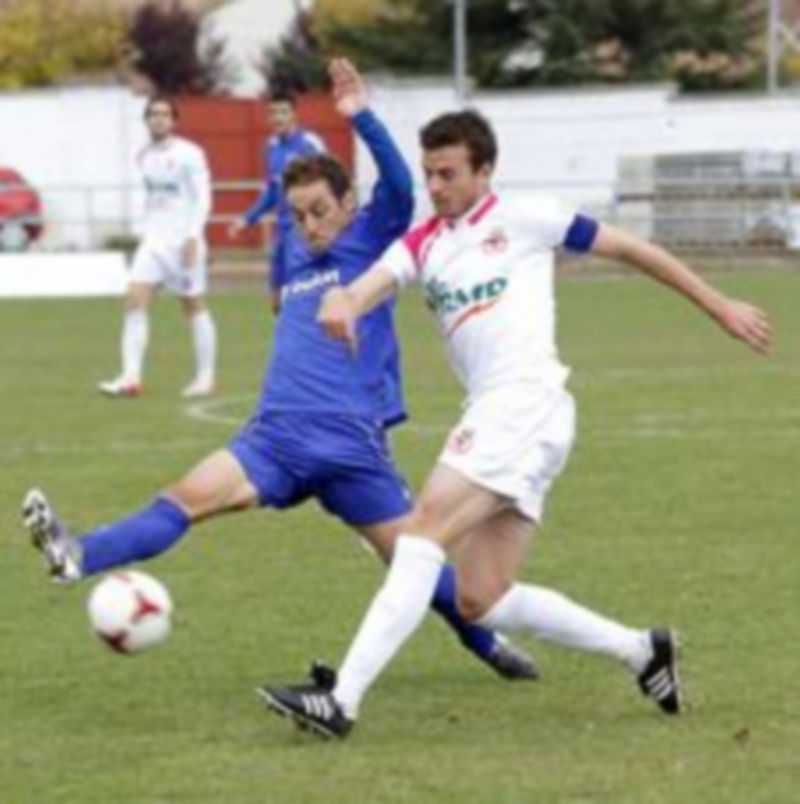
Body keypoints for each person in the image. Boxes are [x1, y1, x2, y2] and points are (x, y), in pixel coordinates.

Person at [261, 108, 774, 739]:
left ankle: (341, 701)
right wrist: (343, 301)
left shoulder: (528, 217)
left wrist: (718, 304)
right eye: (428, 174)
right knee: (482, 596)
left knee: (421, 534)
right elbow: (368, 285)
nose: (436, 186)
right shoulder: (424, 241)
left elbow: (632, 249)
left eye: (448, 173)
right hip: (507, 415)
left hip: (524, 403)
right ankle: (642, 651)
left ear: (485, 170)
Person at [23, 62, 535, 684]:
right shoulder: (298, 253)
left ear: (348, 204)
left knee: (412, 562)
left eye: (321, 211)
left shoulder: (372, 237)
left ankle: (489, 646)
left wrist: (361, 117)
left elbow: (399, 186)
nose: (311, 226)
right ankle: (77, 553)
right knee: (184, 498)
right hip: (274, 436)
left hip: (350, 444)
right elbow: (290, 259)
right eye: (299, 215)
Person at [99, 96, 217, 399]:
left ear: (174, 121)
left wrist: (193, 235)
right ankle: (130, 378)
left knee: (192, 305)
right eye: (153, 114)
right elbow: (151, 200)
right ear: (146, 120)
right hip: (154, 243)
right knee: (134, 299)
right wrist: (143, 232)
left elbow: (202, 197)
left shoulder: (190, 154)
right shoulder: (143, 156)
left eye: (164, 114)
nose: (158, 119)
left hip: (184, 243)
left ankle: (205, 377)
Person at [228, 89, 326, 314]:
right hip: (281, 233)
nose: (278, 117)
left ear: (294, 114)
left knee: (303, 297)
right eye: (273, 112)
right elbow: (273, 191)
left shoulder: (310, 144)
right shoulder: (271, 147)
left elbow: (332, 186)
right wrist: (247, 219)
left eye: (283, 111)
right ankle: (289, 347)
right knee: (277, 302)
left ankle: (314, 347)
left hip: (305, 232)